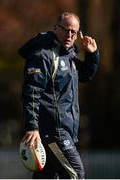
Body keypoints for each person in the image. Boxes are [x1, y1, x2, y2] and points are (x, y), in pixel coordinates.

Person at [18, 12, 99, 179]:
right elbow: (31, 92)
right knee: (75, 174)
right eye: (65, 29)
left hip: (65, 131)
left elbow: (85, 75)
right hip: (54, 132)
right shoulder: (43, 55)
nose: (69, 35)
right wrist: (32, 126)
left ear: (78, 34)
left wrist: (92, 54)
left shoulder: (69, 54)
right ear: (56, 28)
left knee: (48, 176)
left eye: (74, 32)